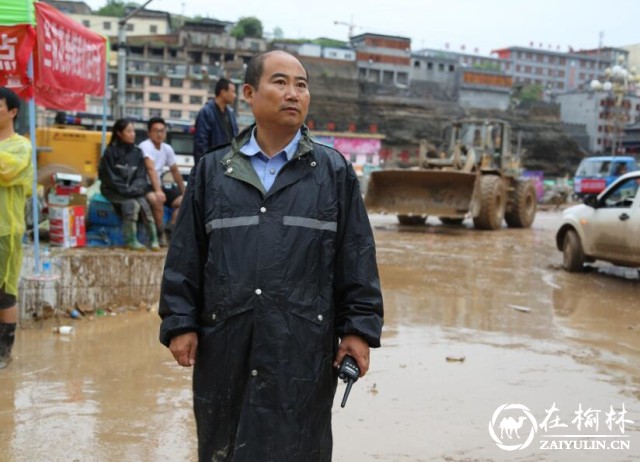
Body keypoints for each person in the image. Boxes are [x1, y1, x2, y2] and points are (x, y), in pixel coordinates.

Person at [159, 50, 384, 461]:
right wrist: (179, 322)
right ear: (249, 92)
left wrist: (358, 330)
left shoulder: (332, 172)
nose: (293, 93)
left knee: (297, 446)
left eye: (301, 85)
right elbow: (186, 255)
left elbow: (357, 256)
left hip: (301, 344)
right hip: (225, 341)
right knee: (223, 443)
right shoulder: (213, 172)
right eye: (280, 82)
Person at [0, 87, 32, 369]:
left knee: (4, 291)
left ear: (12, 112)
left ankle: (4, 352)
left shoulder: (21, 146)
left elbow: (8, 171)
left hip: (5, 229)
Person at [98, 118, 160, 251]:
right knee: (131, 204)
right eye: (129, 131)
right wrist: (125, 190)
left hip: (132, 191)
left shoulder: (137, 153)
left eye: (133, 131)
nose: (133, 134)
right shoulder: (110, 153)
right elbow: (109, 178)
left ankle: (154, 239)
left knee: (144, 204)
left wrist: (134, 189)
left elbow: (141, 177)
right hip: (113, 190)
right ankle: (131, 240)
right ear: (119, 133)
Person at [139, 117, 186, 246]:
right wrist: (159, 191)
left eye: (162, 130)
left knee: (187, 201)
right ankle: (159, 234)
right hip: (144, 185)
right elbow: (150, 169)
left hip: (158, 184)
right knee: (157, 199)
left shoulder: (167, 148)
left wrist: (185, 191)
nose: (159, 134)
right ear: (149, 133)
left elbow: (175, 171)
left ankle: (169, 228)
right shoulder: (145, 146)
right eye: (155, 131)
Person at [192, 77, 239, 164]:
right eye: (232, 92)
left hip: (227, 165)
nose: (235, 95)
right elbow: (201, 144)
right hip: (211, 165)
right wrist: (203, 168)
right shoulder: (206, 112)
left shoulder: (231, 114)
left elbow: (235, 141)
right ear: (223, 92)